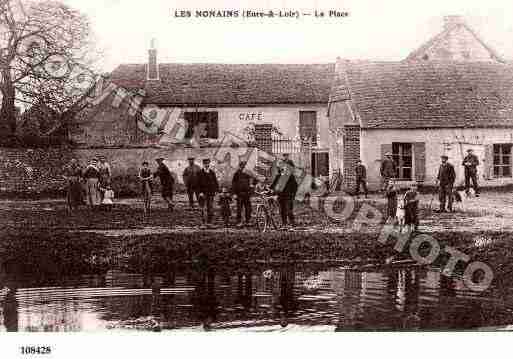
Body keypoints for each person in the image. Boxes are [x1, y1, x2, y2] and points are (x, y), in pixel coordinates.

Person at [271, 163, 298, 227]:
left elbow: (295, 186)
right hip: (280, 196)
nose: (281, 169)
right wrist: (269, 189)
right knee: (282, 210)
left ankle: (292, 222)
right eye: (280, 168)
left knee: (288, 210)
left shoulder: (290, 176)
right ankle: (284, 223)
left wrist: (293, 194)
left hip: (288, 196)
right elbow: (273, 185)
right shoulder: (278, 176)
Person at [198, 158, 219, 226]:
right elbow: (197, 184)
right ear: (203, 164)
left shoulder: (212, 172)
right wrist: (200, 192)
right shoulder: (200, 173)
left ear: (209, 164)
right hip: (203, 193)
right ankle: (203, 223)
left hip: (211, 193)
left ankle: (209, 222)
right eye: (205, 163)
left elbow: (215, 182)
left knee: (210, 208)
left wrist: (216, 190)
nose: (207, 165)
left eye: (208, 163)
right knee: (203, 208)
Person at [231, 161, 253, 226]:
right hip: (239, 194)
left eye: (244, 166)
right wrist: (234, 193)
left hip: (247, 194)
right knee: (239, 208)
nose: (243, 167)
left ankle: (248, 221)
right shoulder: (236, 173)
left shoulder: (248, 173)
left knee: (248, 208)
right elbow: (233, 184)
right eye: (242, 166)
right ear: (240, 166)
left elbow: (255, 178)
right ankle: (239, 222)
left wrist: (252, 185)